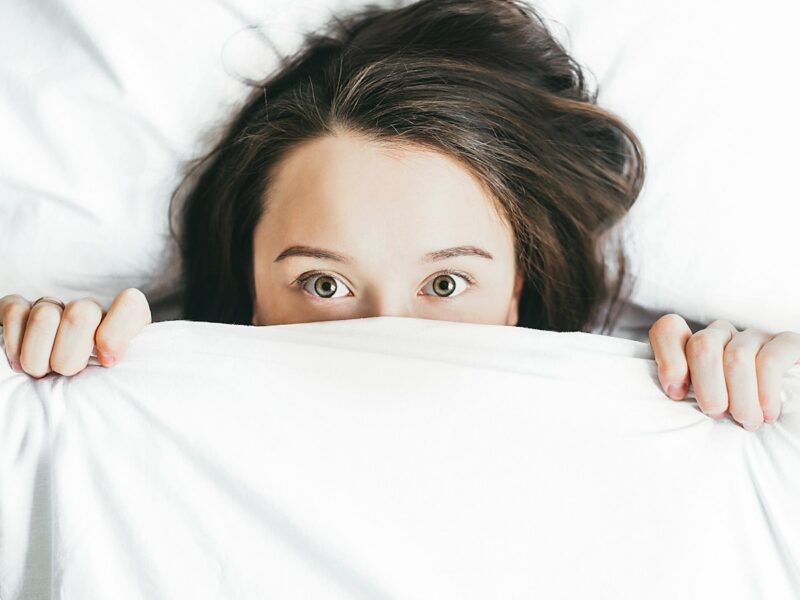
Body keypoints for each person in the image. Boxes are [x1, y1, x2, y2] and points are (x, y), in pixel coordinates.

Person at [1, 0, 797, 430]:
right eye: (322, 283)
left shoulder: (658, 418)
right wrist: (33, 368)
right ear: (249, 291)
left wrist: (768, 386)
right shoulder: (129, 418)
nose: (388, 337)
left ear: (520, 288)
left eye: (446, 284)